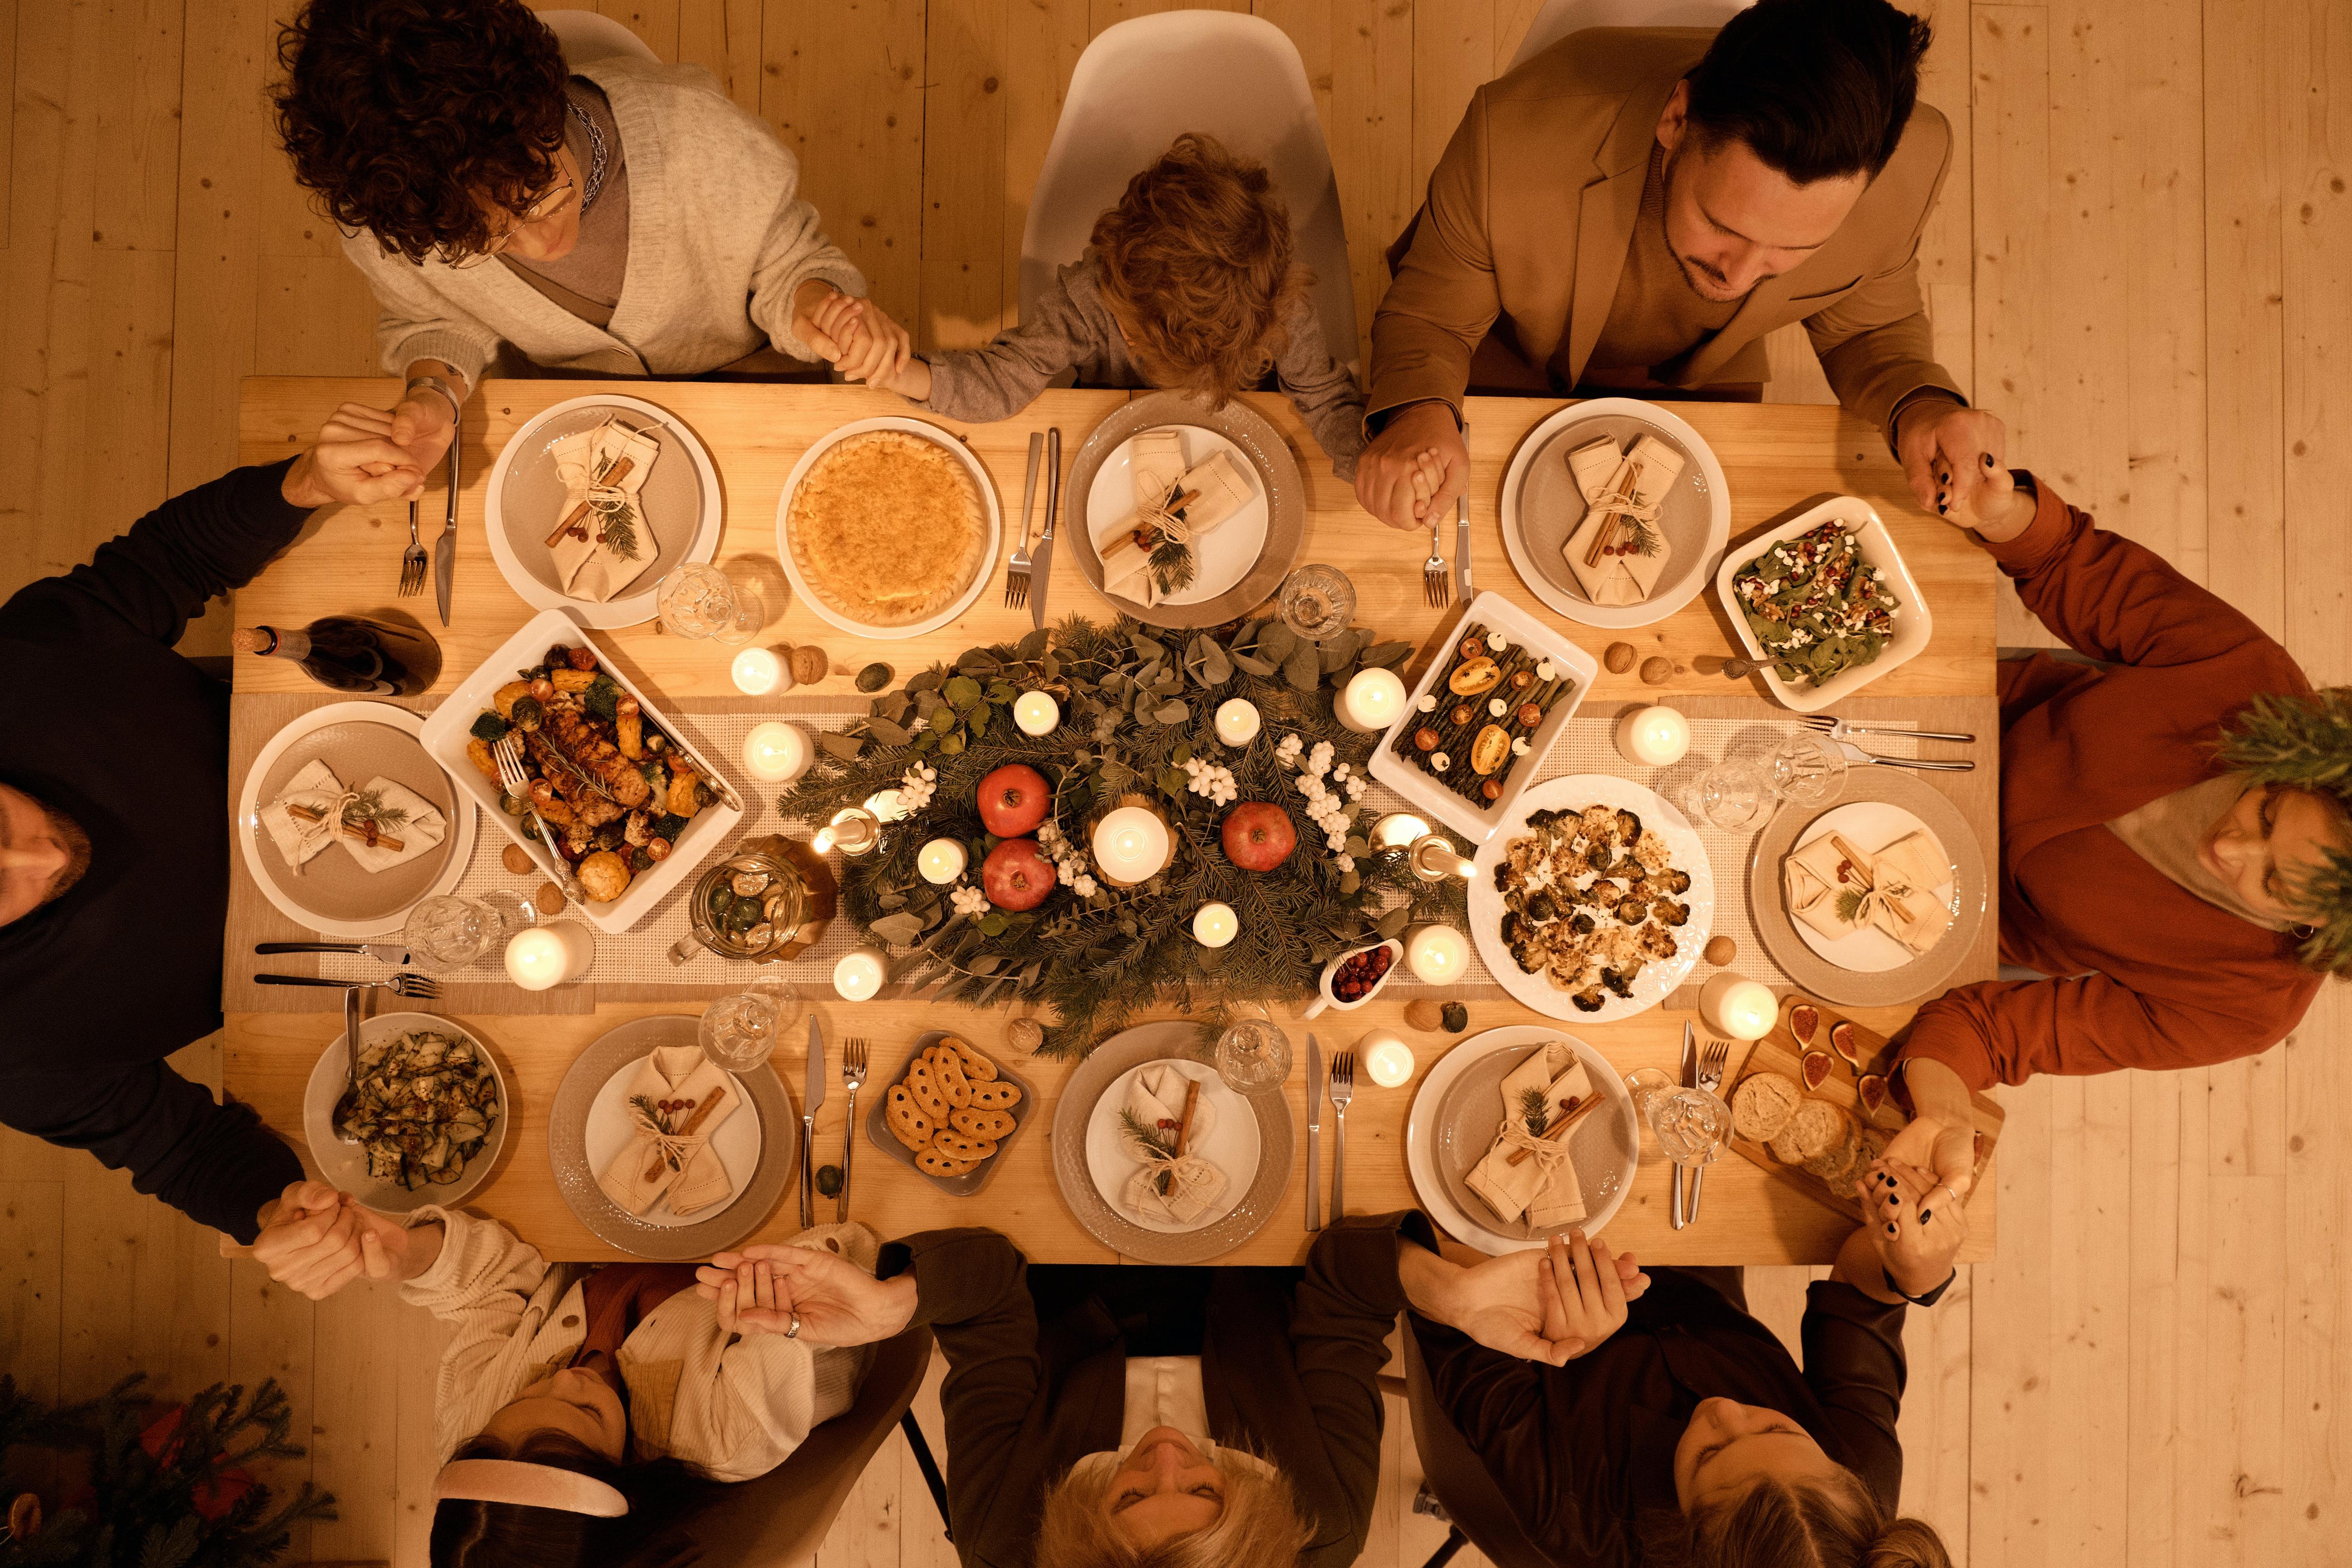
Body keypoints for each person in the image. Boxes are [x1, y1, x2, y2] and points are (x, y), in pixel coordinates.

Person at [0, 409, 430, 1245]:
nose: (42, 851)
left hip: (347, 726)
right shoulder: (16, 1053)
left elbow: (169, 560)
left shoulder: (18, 671)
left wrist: (302, 483)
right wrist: (272, 1211)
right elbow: (183, 1151)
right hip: (376, 947)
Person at [1890, 460, 2351, 1205]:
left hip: (1931, 907)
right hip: (1947, 725)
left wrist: (1945, 1108)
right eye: (2266, 812)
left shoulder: (2246, 1006)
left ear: (2313, 929)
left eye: (2272, 883)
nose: (2228, 850)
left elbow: (2000, 1031)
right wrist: (2002, 510)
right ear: (2298, 761)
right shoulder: (2254, 682)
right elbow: (2073, 562)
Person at [1356, 0, 2001, 529]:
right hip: (1502, 359)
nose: (1741, 277)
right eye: (1723, 226)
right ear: (1677, 119)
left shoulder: (1911, 163)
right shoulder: (1511, 139)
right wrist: (1418, 412)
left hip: (1705, 388)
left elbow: (1868, 329)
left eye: (1795, 249)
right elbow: (1432, 317)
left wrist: (1920, 404)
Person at [691, 1223, 1643, 1568]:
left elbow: (986, 1297)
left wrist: (893, 1305)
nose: (1165, 1450)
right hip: (1258, 1252)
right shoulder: (1325, 1523)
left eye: (1129, 1491)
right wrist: (1451, 1294)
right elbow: (1344, 1293)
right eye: (1210, 1487)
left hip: (1059, 1263)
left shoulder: (1001, 1534)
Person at [270, 0, 911, 483]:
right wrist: (435, 392)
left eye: (540, 195)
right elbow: (433, 318)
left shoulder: (697, 132)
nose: (544, 245)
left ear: (546, 109)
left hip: (757, 377)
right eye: (489, 240)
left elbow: (789, 262)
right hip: (571, 411)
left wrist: (817, 307)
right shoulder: (401, 222)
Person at [246, 1182, 880, 1568]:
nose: (568, 1379)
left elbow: (489, 1288)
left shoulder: (477, 1432)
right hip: (783, 1229)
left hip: (620, 1228)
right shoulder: (731, 1431)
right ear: (624, 1470)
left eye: (528, 1391)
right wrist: (773, 1296)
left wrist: (408, 1257)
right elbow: (841, 1252)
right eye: (586, 1414)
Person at [1357, 1175, 1959, 1567]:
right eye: (1778, 1429)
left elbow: (1436, 1287)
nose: (1722, 1410)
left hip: (1507, 1261)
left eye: (1708, 1456)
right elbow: (1860, 1286)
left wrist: (1543, 1319)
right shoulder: (1856, 1492)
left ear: (1682, 1537)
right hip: (1694, 1262)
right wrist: (1913, 1272)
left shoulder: (1572, 1512)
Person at [822, 134, 1366, 478]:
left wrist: (1365, 461)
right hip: (1111, 441)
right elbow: (1001, 380)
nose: (1126, 341)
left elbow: (1324, 399)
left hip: (1249, 449)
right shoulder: (1089, 296)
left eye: (1137, 341)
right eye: (1130, 330)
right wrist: (903, 372)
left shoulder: (1278, 309)